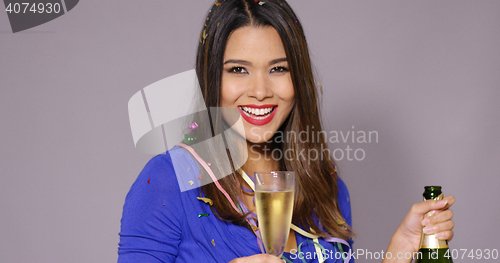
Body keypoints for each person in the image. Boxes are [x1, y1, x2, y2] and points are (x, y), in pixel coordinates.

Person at [117, 1, 455, 262]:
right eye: (238, 70)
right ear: (211, 79)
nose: (260, 90)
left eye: (278, 69)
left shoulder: (327, 188)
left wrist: (399, 250)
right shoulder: (169, 180)